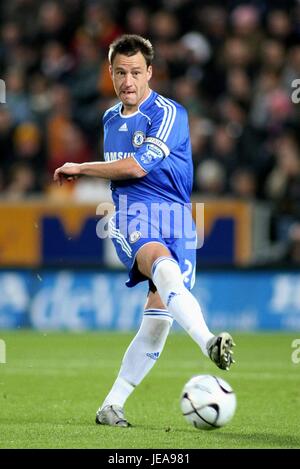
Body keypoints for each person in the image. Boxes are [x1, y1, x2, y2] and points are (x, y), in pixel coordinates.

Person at [54, 34, 235, 427]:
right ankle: (209, 342)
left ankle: (110, 406)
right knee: (161, 264)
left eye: (136, 72)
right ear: (111, 74)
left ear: (150, 73)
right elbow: (129, 179)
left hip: (177, 220)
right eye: (120, 72)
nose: (128, 81)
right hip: (131, 216)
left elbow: (137, 166)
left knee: (157, 323)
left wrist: (80, 167)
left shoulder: (169, 114)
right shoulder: (109, 119)